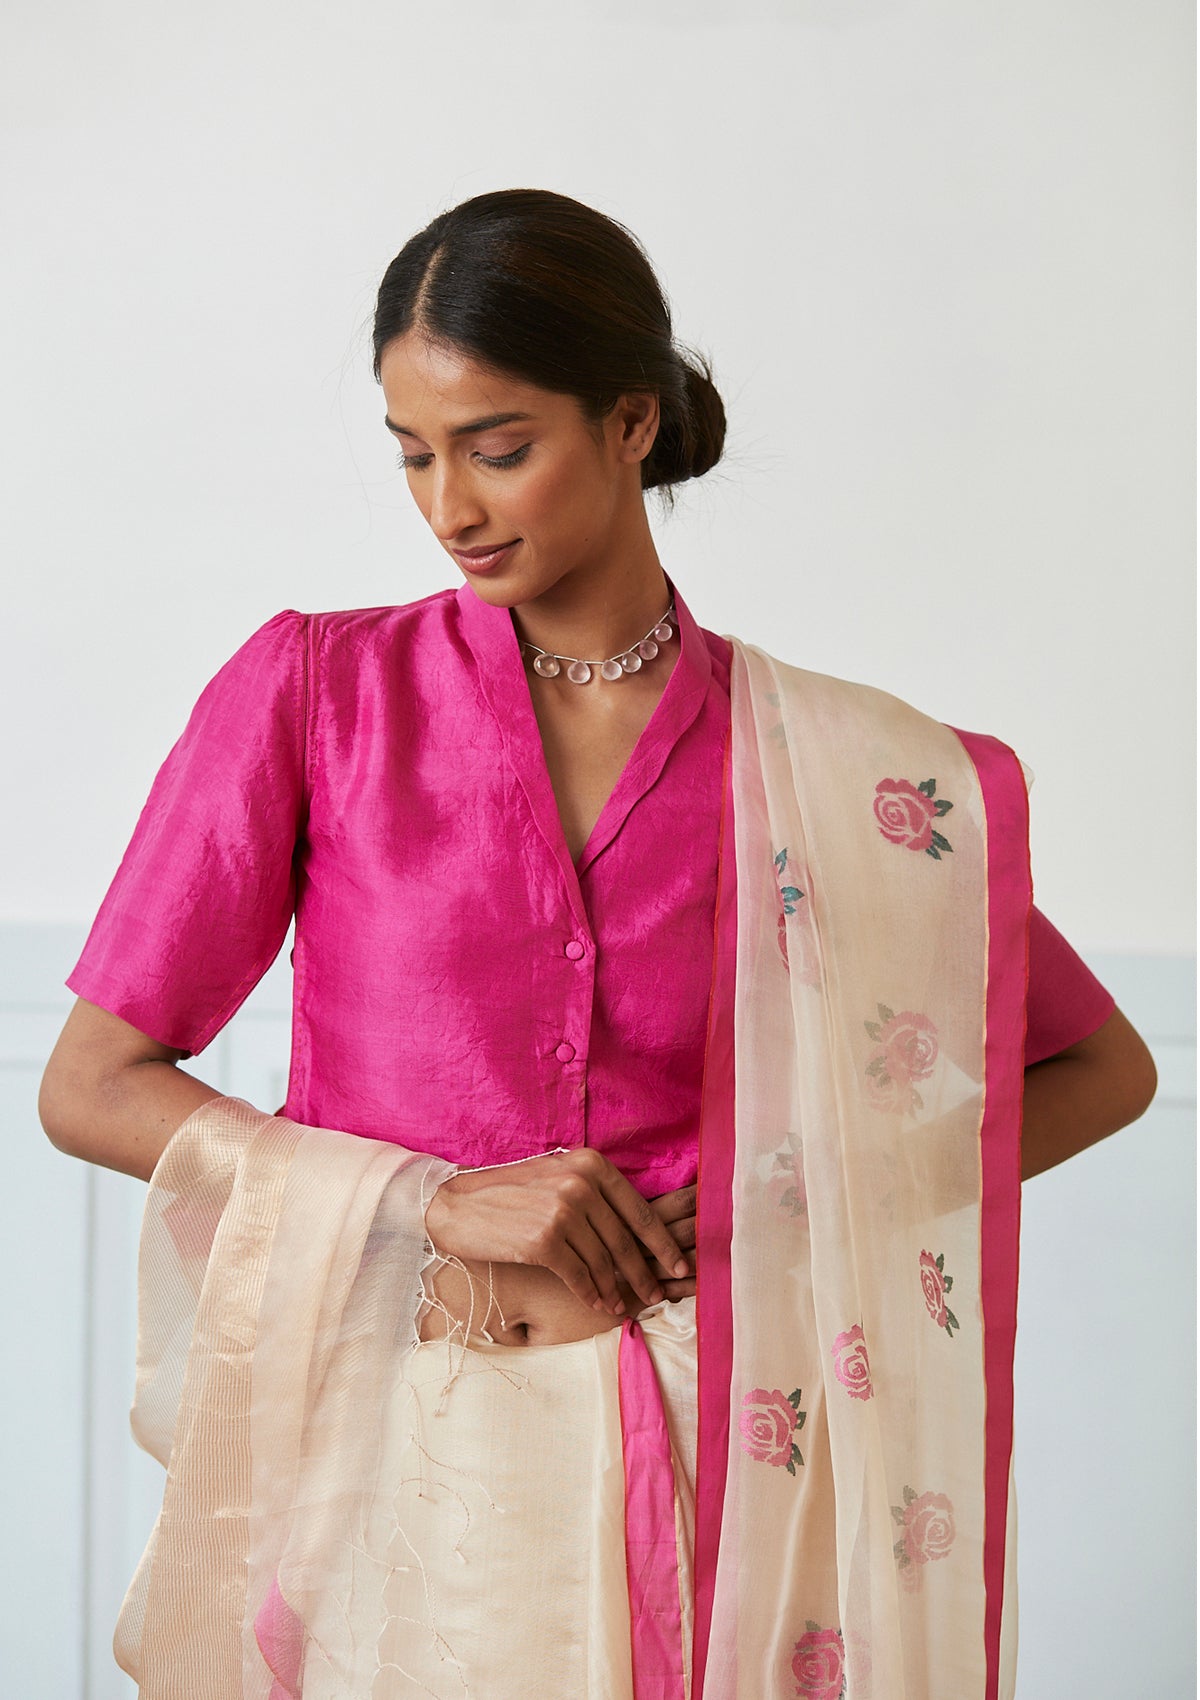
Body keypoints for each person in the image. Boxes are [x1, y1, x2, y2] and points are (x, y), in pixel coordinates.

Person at [40, 188, 1156, 1700]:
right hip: (404, 1462)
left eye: (499, 447)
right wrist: (432, 1201)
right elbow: (94, 1082)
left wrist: (789, 1208)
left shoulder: (819, 766)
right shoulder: (322, 696)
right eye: (413, 452)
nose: (451, 506)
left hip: (741, 1476)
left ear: (633, 423)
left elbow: (1096, 1066)